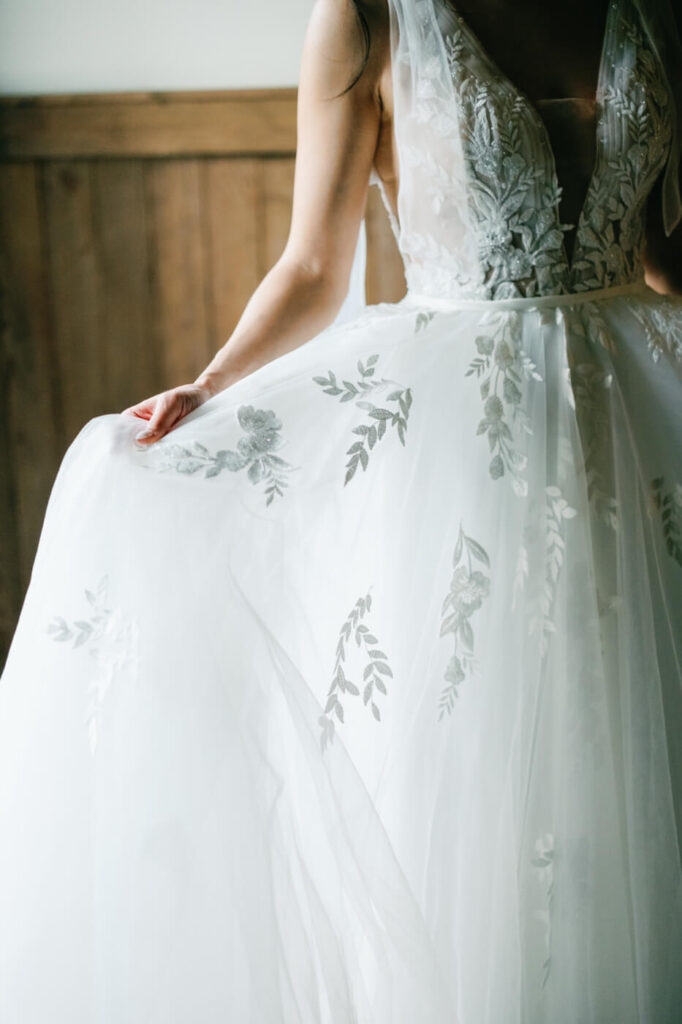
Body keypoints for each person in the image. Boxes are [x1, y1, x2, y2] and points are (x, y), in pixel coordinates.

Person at [1, 0, 681, 1020]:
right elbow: (316, 265)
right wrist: (210, 385)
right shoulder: (368, 19)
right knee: (494, 770)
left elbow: (665, 250)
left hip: (645, 422)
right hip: (474, 447)